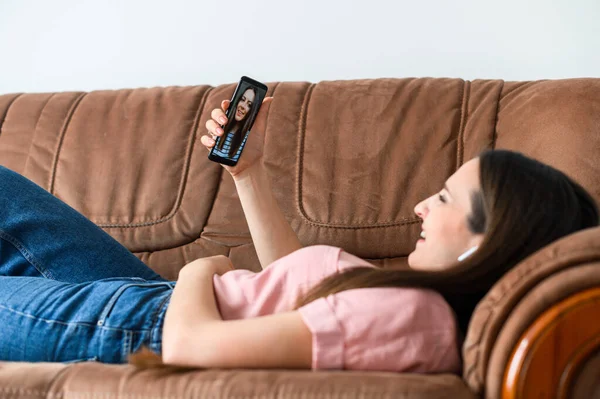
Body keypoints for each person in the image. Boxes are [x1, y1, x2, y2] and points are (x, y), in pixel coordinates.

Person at [0, 96, 597, 374]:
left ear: (484, 242)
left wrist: (196, 270)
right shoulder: (409, 304)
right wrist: (250, 169)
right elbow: (298, 290)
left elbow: (188, 349)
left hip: (134, 325)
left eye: (442, 199)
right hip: (142, 304)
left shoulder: (412, 318)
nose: (418, 206)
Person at [212, 87, 258, 159]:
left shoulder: (248, 139)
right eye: (242, 100)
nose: (243, 106)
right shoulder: (221, 127)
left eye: (249, 105)